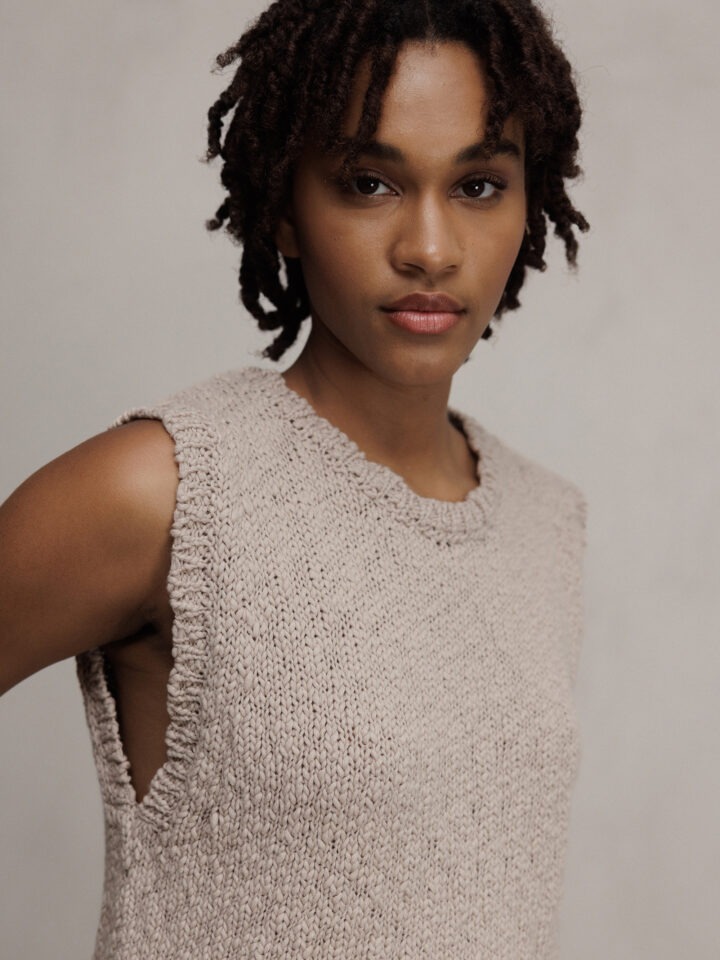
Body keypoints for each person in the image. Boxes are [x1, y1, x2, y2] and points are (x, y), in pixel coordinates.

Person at [0, 1, 590, 956]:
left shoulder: (544, 517)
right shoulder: (169, 489)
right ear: (283, 205)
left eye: (479, 185)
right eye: (369, 182)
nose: (430, 247)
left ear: (528, 206)